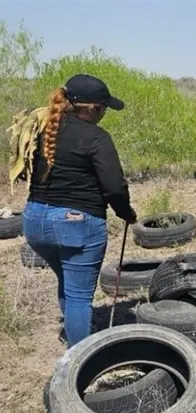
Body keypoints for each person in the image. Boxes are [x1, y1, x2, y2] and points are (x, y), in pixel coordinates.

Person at [19, 74, 137, 348]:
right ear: (92, 108)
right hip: (76, 224)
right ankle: (80, 362)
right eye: (104, 107)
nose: (105, 113)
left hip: (35, 221)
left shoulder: (43, 129)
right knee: (80, 297)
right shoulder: (96, 137)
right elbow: (114, 188)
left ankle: (76, 334)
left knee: (68, 282)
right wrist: (126, 213)